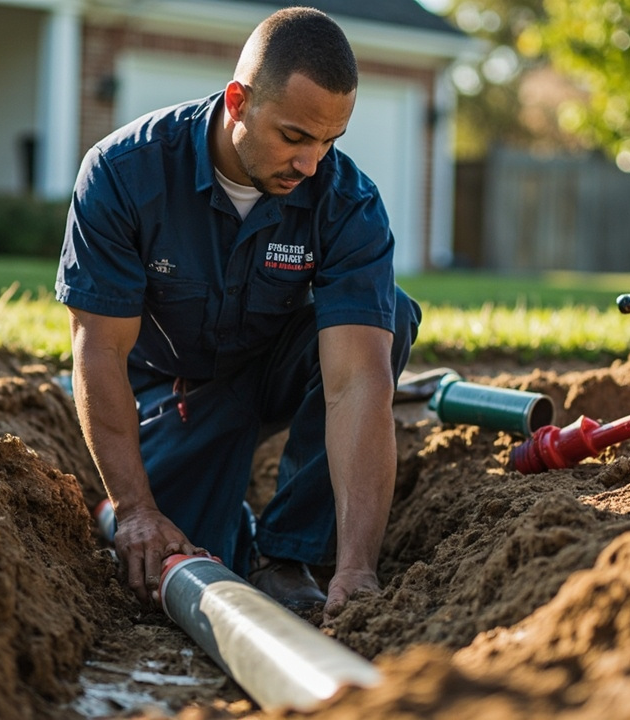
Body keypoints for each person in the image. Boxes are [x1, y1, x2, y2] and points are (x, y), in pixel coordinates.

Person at [55, 6, 421, 621]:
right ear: (238, 102)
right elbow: (100, 351)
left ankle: (288, 553)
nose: (310, 164)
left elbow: (356, 383)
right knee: (178, 555)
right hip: (177, 391)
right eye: (294, 137)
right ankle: (225, 522)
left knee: (393, 317)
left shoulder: (347, 202)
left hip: (275, 370)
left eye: (329, 141)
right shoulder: (124, 174)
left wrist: (358, 566)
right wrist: (137, 510)